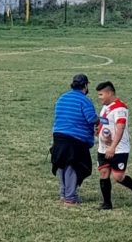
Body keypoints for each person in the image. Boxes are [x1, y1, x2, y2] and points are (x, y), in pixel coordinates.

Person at [50, 74, 98, 207]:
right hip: (75, 139)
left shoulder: (62, 98)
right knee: (73, 166)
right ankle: (70, 198)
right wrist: (100, 121)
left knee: (61, 165)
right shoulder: (84, 100)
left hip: (58, 136)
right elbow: (91, 119)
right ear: (85, 85)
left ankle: (64, 193)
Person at [96, 81, 132, 210]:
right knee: (104, 173)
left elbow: (120, 128)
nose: (99, 98)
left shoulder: (120, 108)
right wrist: (98, 131)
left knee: (118, 177)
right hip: (103, 147)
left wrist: (112, 147)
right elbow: (103, 122)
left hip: (119, 149)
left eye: (101, 94)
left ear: (109, 93)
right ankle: (107, 203)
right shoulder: (106, 106)